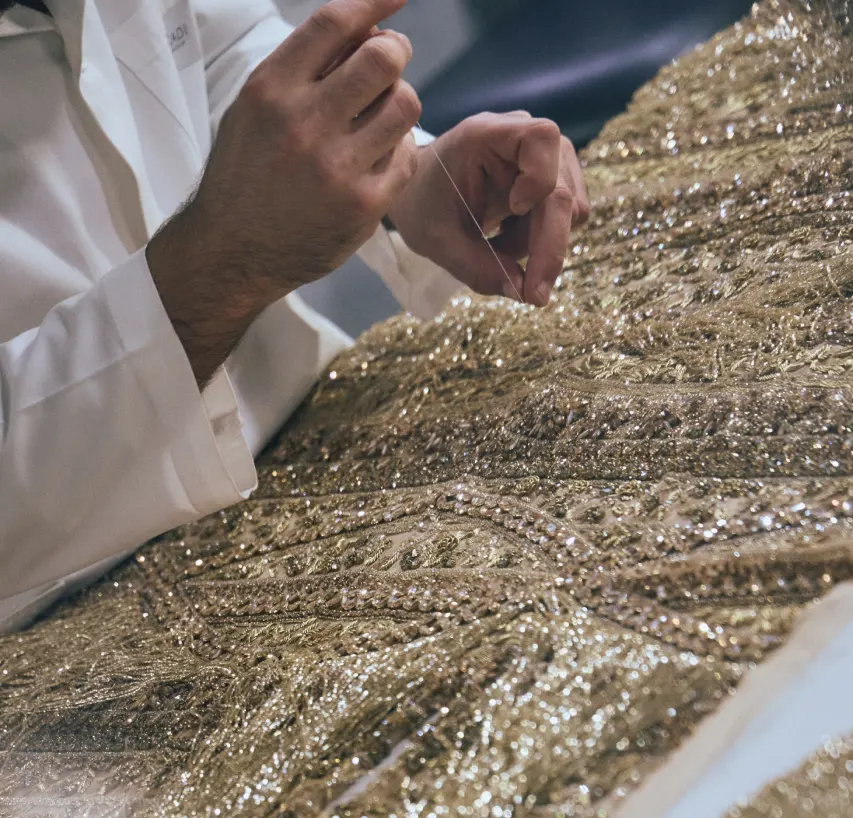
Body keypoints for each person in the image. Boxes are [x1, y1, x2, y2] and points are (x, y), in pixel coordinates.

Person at [0, 0, 589, 629]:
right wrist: (223, 262)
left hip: (303, 417)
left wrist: (402, 175)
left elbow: (211, 50)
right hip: (58, 620)